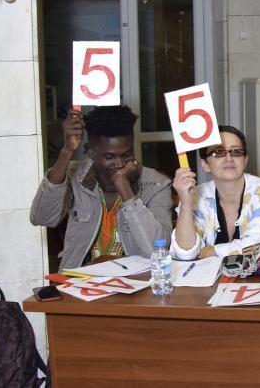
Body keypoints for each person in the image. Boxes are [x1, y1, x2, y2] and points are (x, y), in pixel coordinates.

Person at [31, 106, 172, 269]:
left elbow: (156, 251)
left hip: (134, 279)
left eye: (127, 155)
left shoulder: (156, 184)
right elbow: (42, 218)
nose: (119, 164)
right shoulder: (75, 176)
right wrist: (67, 151)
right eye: (109, 157)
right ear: (90, 151)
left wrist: (123, 186)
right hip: (79, 278)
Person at [170, 125, 260, 260]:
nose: (229, 158)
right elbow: (185, 253)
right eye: (218, 152)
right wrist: (186, 203)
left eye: (236, 152)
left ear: (245, 160)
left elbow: (257, 243)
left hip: (254, 273)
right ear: (205, 164)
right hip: (208, 274)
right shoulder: (195, 195)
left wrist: (209, 251)